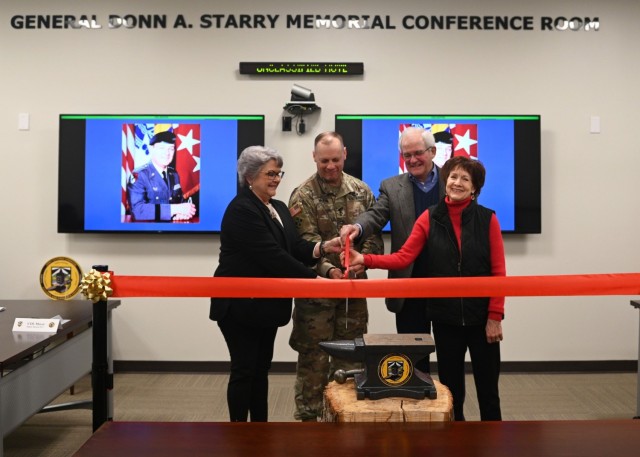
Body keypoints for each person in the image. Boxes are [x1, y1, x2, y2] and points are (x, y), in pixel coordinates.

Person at [347, 156, 506, 421]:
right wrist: (365, 259)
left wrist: (495, 317)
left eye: (465, 179)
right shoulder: (429, 217)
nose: (457, 183)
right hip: (445, 319)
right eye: (453, 177)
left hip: (482, 320)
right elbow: (403, 257)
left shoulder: (487, 219)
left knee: (489, 392)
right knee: (451, 393)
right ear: (446, 180)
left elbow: (499, 273)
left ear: (475, 188)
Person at [209, 145, 341, 422]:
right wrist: (315, 281)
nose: (276, 179)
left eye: (278, 173)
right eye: (269, 174)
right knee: (244, 370)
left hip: (266, 306)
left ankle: (259, 429)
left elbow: (292, 247)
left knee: (260, 370)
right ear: (249, 176)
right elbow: (273, 257)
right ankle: (238, 433)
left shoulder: (278, 207)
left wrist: (322, 248)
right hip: (239, 307)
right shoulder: (242, 210)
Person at [288, 132, 383, 422]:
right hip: (316, 297)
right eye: (324, 160)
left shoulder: (361, 191)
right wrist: (329, 270)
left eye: (335, 159)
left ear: (345, 155)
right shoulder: (301, 194)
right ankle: (308, 421)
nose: (330, 166)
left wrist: (360, 264)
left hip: (352, 293)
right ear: (314, 158)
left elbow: (373, 238)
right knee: (313, 360)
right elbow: (303, 246)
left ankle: (344, 418)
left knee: (351, 358)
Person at [340, 127, 444, 373]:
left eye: (418, 153)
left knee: (449, 354)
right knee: (413, 354)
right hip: (408, 282)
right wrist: (357, 227)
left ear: (433, 152)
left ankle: (449, 408)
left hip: (446, 280)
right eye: (406, 155)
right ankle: (416, 406)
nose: (412, 160)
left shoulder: (454, 179)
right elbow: (375, 216)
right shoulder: (391, 186)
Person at [127, 131, 196, 221]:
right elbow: (137, 211)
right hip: (146, 232)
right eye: (161, 148)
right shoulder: (139, 175)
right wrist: (175, 209)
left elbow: (180, 203)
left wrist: (184, 213)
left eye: (171, 149)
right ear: (151, 149)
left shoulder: (173, 174)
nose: (167, 153)